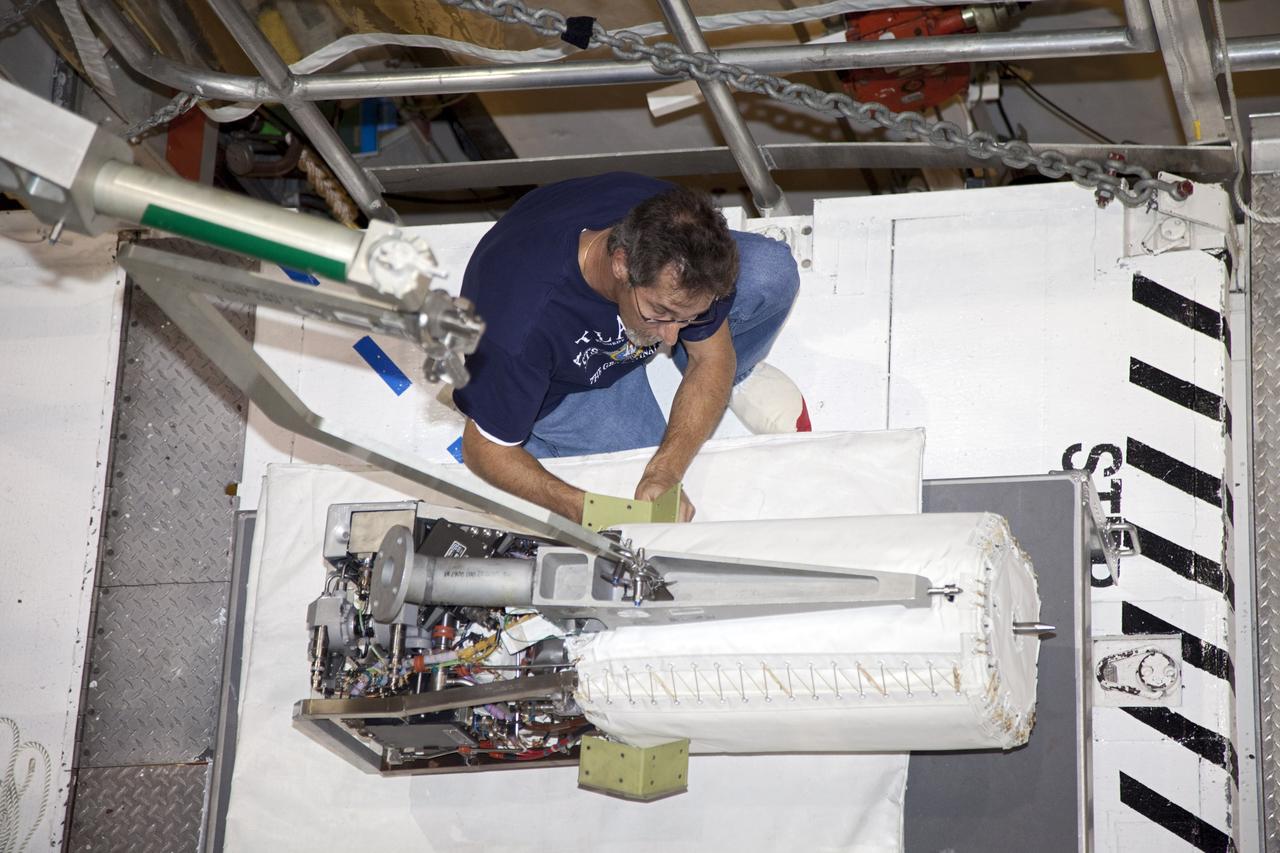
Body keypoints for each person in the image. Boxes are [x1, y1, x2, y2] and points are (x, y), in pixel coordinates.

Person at [453, 172, 806, 524]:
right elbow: (483, 449)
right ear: (621, 263)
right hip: (565, 380)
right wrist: (580, 508)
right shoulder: (519, 330)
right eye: (661, 313)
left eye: (689, 318)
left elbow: (710, 357)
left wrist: (666, 470)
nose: (670, 339)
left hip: (594, 308)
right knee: (631, 484)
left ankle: (737, 376)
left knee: (772, 271)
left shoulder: (671, 220)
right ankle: (509, 413)